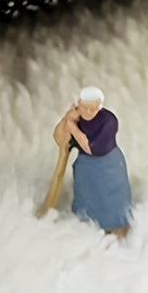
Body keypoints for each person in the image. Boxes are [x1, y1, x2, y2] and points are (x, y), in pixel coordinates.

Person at [52, 86, 132, 237]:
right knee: (87, 197)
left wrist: (72, 126)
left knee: (111, 199)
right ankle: (85, 225)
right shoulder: (77, 118)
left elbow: (91, 148)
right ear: (78, 105)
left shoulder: (109, 121)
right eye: (84, 108)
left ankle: (117, 229)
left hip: (108, 167)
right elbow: (59, 138)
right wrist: (67, 118)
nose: (88, 112)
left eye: (93, 109)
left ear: (99, 107)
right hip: (86, 167)